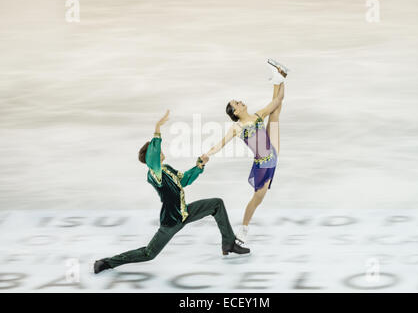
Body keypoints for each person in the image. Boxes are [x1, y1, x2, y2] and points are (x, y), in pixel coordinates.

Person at [94, 110, 249, 274]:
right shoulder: (154, 174)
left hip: (185, 212)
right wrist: (157, 127)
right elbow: (153, 157)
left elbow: (183, 180)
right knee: (149, 253)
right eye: (157, 151)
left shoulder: (166, 169)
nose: (161, 151)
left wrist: (199, 165)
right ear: (151, 157)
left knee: (216, 204)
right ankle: (106, 263)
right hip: (171, 221)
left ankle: (229, 243)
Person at [204, 59, 288, 243]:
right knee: (258, 198)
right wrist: (207, 155)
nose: (241, 102)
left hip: (272, 151)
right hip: (263, 164)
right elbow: (220, 144)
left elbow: (277, 101)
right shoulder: (237, 127)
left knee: (275, 112)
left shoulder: (258, 115)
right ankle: (243, 229)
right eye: (237, 104)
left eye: (239, 101)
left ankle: (277, 77)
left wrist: (283, 80)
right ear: (235, 112)